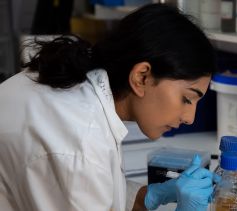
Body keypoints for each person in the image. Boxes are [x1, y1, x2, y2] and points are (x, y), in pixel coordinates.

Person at [0, 3, 221, 211]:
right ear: (141, 77)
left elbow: (93, 192)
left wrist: (149, 196)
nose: (190, 118)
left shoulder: (81, 78)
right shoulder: (81, 145)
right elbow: (84, 177)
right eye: (187, 98)